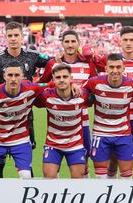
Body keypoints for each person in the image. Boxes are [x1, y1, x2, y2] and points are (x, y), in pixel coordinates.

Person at [0, 21, 53, 178]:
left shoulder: (32, 56)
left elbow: (53, 63)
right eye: (10, 36)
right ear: (5, 38)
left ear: (22, 37)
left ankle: (27, 193)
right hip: (2, 113)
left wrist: (41, 81)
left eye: (16, 35)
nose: (13, 39)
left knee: (26, 161)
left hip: (25, 115)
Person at [37, 30, 99, 178]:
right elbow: (42, 85)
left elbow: (94, 87)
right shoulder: (53, 63)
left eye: (73, 41)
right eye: (67, 42)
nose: (70, 45)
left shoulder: (87, 63)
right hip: (58, 118)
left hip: (81, 122)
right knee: (52, 169)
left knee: (84, 166)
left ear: (78, 43)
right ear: (62, 43)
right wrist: (69, 84)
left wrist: (81, 90)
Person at [95, 26, 133, 178]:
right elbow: (89, 60)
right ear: (119, 41)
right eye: (125, 40)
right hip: (117, 119)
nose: (128, 43)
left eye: (132, 40)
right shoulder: (110, 60)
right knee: (114, 159)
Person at [0, 60, 45, 178]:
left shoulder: (31, 88)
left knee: (26, 176)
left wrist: (72, 84)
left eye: (17, 75)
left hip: (21, 141)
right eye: (10, 75)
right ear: (4, 76)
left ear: (23, 76)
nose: (13, 79)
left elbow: (52, 84)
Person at [83, 53, 133, 179]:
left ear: (123, 68)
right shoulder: (94, 83)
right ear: (106, 69)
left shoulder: (132, 85)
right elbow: (81, 91)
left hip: (123, 134)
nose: (115, 71)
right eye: (111, 67)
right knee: (101, 177)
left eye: (118, 67)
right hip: (101, 134)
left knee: (127, 176)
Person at [35, 64, 88, 179]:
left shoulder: (82, 95)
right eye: (58, 77)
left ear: (71, 78)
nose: (62, 80)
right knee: (49, 177)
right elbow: (30, 88)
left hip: (75, 144)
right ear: (53, 79)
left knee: (78, 179)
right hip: (53, 144)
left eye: (65, 77)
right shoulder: (46, 96)